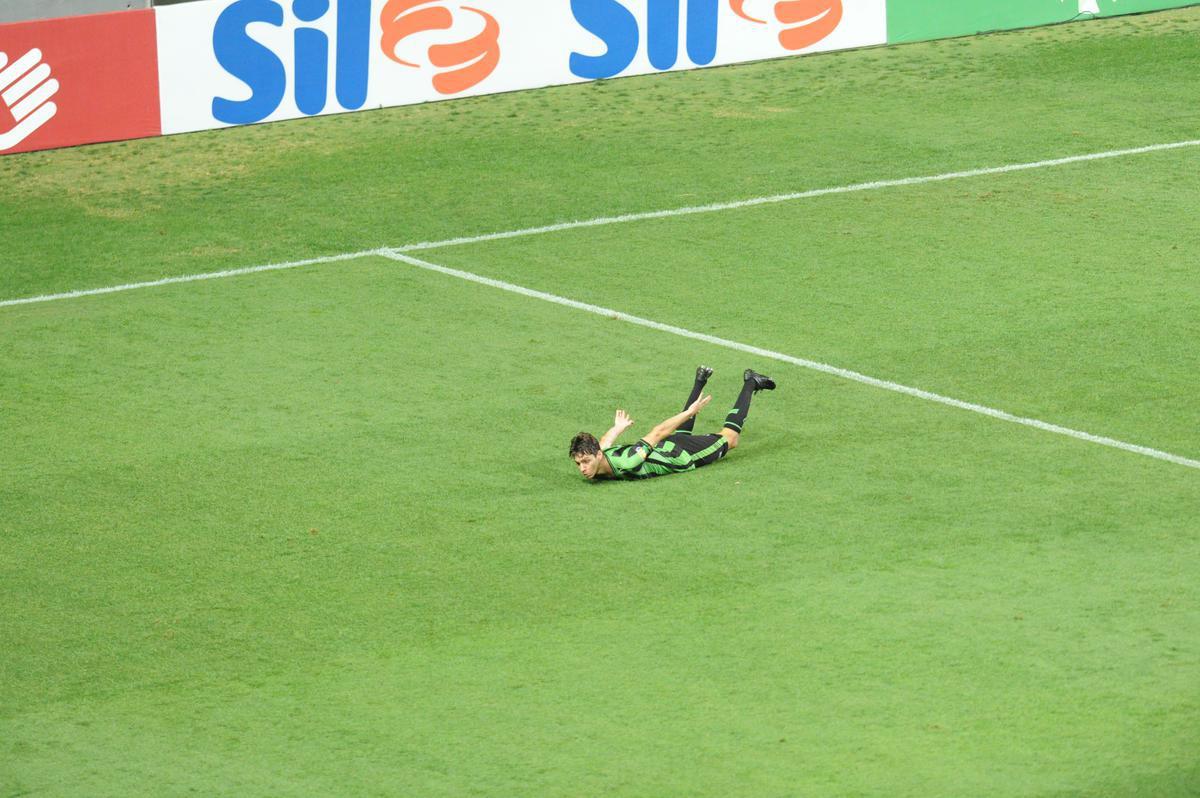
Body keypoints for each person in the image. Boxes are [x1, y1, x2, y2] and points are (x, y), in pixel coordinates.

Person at [569, 366, 776, 481]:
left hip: (681, 456)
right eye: (579, 464)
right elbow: (605, 441)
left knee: (730, 439)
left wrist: (690, 412)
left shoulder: (626, 463)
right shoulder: (600, 453)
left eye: (586, 461)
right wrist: (617, 428)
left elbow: (658, 431)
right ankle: (700, 381)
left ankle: (751, 382)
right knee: (681, 434)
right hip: (667, 447)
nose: (583, 469)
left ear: (597, 455)